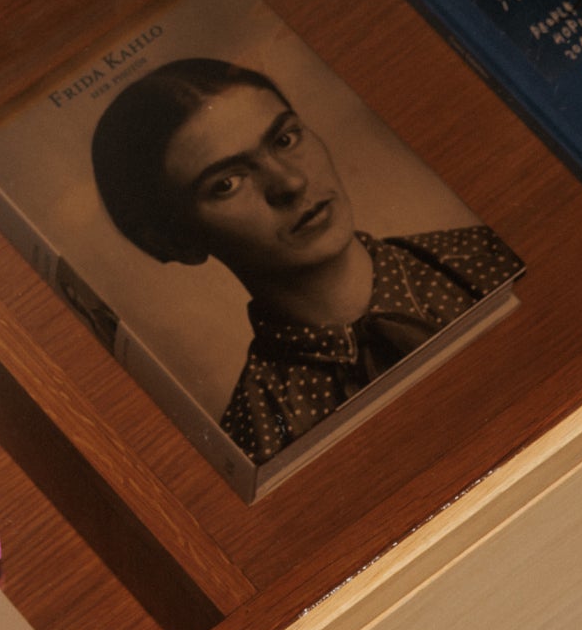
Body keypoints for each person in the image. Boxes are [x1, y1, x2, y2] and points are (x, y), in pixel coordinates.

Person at [89, 58, 520, 465]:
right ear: (174, 241)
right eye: (228, 183)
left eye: (285, 139)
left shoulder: (488, 257)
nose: (291, 183)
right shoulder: (256, 443)